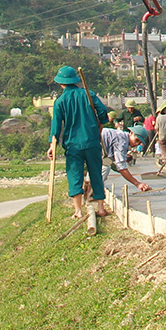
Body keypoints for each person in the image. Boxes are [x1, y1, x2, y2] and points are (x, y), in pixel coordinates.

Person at [47, 65, 112, 219]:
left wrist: (52, 145)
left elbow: (56, 127)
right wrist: (101, 123)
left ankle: (78, 211)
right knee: (96, 172)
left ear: (61, 83)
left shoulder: (60, 101)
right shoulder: (88, 95)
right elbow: (103, 112)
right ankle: (101, 208)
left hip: (73, 145)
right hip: (92, 141)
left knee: (75, 175)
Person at [99, 126, 152, 193]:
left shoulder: (122, 136)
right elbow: (121, 167)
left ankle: (90, 188)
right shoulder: (122, 141)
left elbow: (115, 164)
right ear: (131, 133)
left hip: (94, 143)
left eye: (139, 142)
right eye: (136, 140)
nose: (136, 144)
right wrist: (137, 183)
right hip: (92, 141)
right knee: (105, 167)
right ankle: (93, 192)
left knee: (104, 165)